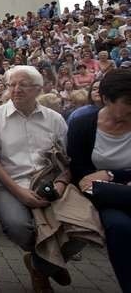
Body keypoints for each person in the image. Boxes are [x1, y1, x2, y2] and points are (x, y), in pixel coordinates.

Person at [0, 66, 81, 292]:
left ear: (38, 89)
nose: (16, 89)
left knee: (82, 226)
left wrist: (60, 184)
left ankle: (40, 265)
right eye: (11, 84)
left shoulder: (55, 119)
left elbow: (66, 160)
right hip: (6, 183)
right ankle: (49, 264)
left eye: (23, 84)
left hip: (50, 182)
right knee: (19, 227)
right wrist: (19, 193)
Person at [68, 69, 131, 292]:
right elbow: (80, 174)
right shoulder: (83, 124)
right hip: (100, 195)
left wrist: (113, 175)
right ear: (105, 99)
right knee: (120, 227)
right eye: (127, 101)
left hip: (110, 187)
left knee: (118, 222)